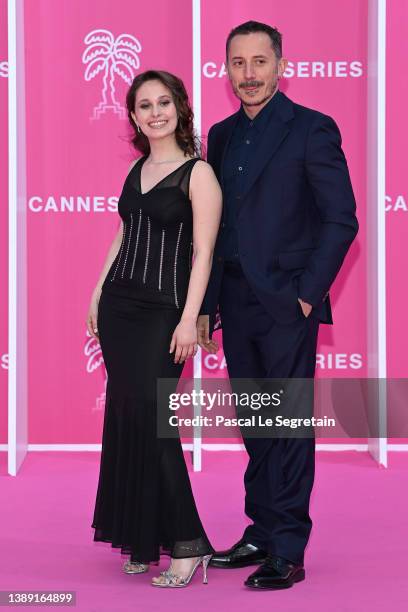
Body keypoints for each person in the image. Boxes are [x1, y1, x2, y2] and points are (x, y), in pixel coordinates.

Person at [197, 21, 358, 590]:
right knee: (256, 426)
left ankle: (288, 548)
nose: (249, 75)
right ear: (227, 70)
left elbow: (342, 219)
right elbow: (213, 231)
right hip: (235, 302)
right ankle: (262, 531)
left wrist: (307, 294)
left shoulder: (312, 129)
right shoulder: (218, 136)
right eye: (238, 64)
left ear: (280, 65)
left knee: (287, 427)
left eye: (259, 62)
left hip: (288, 303)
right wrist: (205, 306)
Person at [88, 70, 222, 588]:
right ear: (134, 117)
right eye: (144, 106)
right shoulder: (139, 169)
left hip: (165, 311)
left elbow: (204, 254)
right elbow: (124, 235)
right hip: (121, 306)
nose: (155, 112)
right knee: (127, 416)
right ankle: (141, 538)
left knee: (154, 417)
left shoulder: (199, 174)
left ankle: (188, 545)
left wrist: (189, 319)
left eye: (163, 102)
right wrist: (98, 291)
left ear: (179, 108)